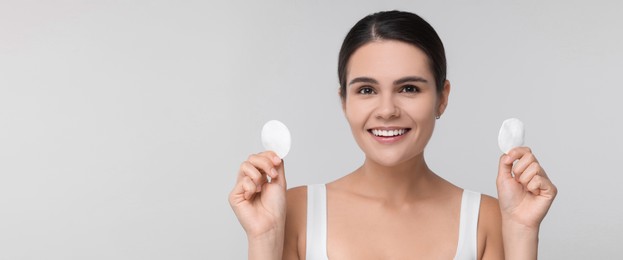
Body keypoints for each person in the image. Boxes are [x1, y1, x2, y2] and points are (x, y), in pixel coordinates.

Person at [229, 10, 557, 259]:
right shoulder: (294, 211)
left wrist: (521, 230)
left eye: (409, 88)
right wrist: (264, 237)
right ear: (344, 100)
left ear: (442, 97)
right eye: (367, 89)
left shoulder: (486, 219)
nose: (387, 110)